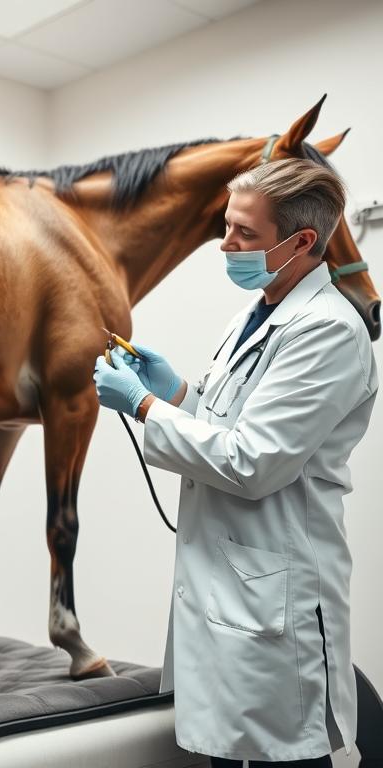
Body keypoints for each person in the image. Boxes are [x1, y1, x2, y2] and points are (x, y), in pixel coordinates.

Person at [92, 157, 378, 766]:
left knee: (288, 753)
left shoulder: (326, 330)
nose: (226, 244)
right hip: (229, 579)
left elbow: (253, 462)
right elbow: (232, 426)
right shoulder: (254, 314)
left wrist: (142, 407)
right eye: (227, 226)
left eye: (244, 233)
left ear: (301, 242)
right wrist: (176, 395)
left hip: (279, 588)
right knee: (225, 750)